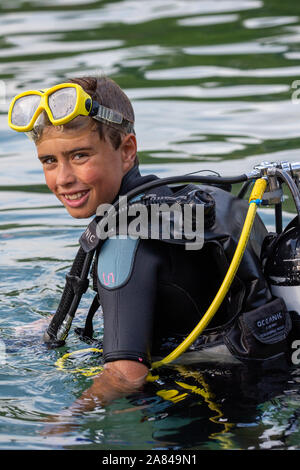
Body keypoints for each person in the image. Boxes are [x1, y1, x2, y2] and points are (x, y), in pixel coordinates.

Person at [8, 76, 292, 418]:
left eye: (80, 155)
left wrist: (59, 425)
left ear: (127, 150)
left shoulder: (124, 238)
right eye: (49, 161)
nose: (63, 178)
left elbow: (126, 376)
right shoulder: (195, 206)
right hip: (270, 385)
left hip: (203, 416)